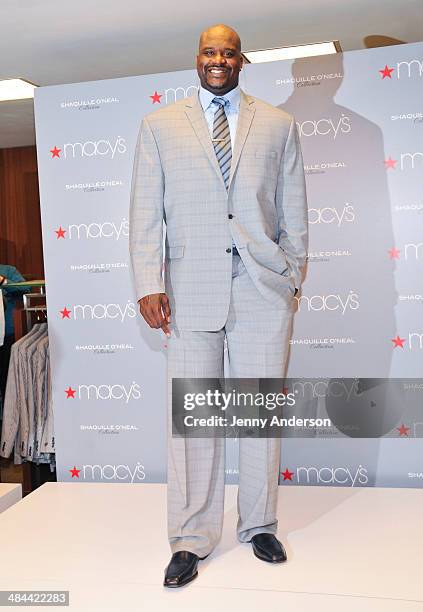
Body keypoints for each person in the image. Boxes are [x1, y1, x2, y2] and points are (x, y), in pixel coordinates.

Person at [129, 23, 308, 588]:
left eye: (229, 53)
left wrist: (293, 274)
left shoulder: (278, 125)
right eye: (211, 51)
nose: (219, 59)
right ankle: (190, 538)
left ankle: (259, 525)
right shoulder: (159, 126)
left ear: (242, 61)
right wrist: (146, 283)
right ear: (197, 57)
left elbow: (294, 207)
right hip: (189, 293)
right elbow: (144, 214)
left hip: (262, 291)